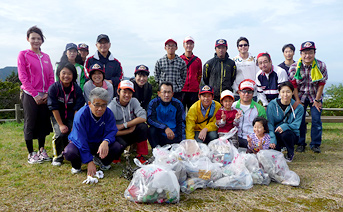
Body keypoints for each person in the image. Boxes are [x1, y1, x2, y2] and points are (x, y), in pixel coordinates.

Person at [64, 88, 123, 175]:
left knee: (117, 147)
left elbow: (112, 130)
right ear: (89, 104)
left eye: (103, 105)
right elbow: (80, 140)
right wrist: (89, 161)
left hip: (98, 143)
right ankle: (77, 165)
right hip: (82, 143)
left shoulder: (108, 113)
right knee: (69, 152)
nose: (100, 109)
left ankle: (103, 162)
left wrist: (106, 141)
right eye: (97, 105)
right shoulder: (81, 115)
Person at [17, 26, 54, 164]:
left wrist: (47, 93)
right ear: (28, 39)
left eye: (39, 38)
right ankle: (31, 153)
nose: (36, 41)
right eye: (33, 38)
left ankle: (42, 150)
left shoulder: (46, 57)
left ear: (42, 40)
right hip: (29, 94)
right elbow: (23, 77)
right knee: (30, 122)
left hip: (44, 95)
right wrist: (34, 94)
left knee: (43, 122)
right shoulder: (23, 54)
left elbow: (51, 76)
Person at [288, 41, 328, 153]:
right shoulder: (294, 67)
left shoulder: (321, 65)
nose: (307, 55)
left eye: (310, 52)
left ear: (314, 53)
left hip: (315, 95)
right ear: (300, 54)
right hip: (299, 95)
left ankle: (315, 144)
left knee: (316, 120)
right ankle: (301, 143)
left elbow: (321, 84)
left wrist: (317, 100)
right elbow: (293, 85)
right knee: (300, 120)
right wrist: (297, 101)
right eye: (305, 53)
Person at [48, 62, 85, 166]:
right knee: (60, 134)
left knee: (74, 133)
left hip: (72, 116)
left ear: (73, 75)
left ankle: (74, 154)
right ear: (59, 74)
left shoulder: (77, 89)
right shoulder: (54, 88)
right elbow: (53, 108)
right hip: (57, 116)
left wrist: (74, 125)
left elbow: (77, 108)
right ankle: (58, 156)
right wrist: (60, 125)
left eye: (69, 73)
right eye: (63, 73)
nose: (66, 76)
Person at [107, 80, 149, 163]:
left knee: (143, 127)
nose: (127, 95)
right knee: (120, 144)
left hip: (128, 130)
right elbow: (110, 131)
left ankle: (140, 155)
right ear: (118, 92)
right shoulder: (111, 107)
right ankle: (116, 156)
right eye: (124, 92)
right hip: (118, 135)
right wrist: (129, 130)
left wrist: (124, 125)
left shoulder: (134, 101)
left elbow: (143, 117)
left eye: (130, 92)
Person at [267, 82, 304, 161]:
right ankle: (278, 149)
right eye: (283, 92)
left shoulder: (299, 107)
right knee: (273, 151)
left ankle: (290, 153)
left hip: (291, 133)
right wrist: (272, 139)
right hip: (275, 132)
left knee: (286, 134)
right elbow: (270, 123)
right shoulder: (272, 105)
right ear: (279, 92)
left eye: (288, 92)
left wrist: (285, 126)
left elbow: (296, 125)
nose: (285, 95)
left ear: (292, 92)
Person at [147, 82, 185, 148]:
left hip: (173, 136)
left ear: (173, 94)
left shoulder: (178, 104)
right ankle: (156, 151)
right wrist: (165, 127)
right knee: (151, 130)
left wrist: (182, 142)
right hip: (159, 135)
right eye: (164, 92)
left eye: (169, 92)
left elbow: (181, 122)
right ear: (159, 93)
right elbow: (150, 119)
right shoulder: (153, 103)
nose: (167, 95)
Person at [232, 79, 267, 148]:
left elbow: (264, 127)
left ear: (253, 93)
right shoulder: (233, 106)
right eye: (244, 91)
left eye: (249, 92)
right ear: (239, 92)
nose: (246, 94)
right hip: (235, 137)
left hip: (252, 139)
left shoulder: (259, 108)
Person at [232, 37, 259, 101]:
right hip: (238, 94)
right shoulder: (233, 61)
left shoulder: (255, 60)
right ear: (238, 48)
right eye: (241, 45)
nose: (243, 47)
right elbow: (231, 78)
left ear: (248, 46)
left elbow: (258, 75)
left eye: (245, 45)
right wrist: (236, 89)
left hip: (252, 93)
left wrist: (253, 87)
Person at [180, 36, 202, 110]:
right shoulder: (179, 59)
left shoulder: (198, 60)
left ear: (193, 46)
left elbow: (199, 75)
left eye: (191, 44)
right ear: (184, 45)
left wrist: (195, 84)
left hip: (193, 91)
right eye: (187, 43)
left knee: (192, 111)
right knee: (180, 111)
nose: (189, 46)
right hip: (182, 90)